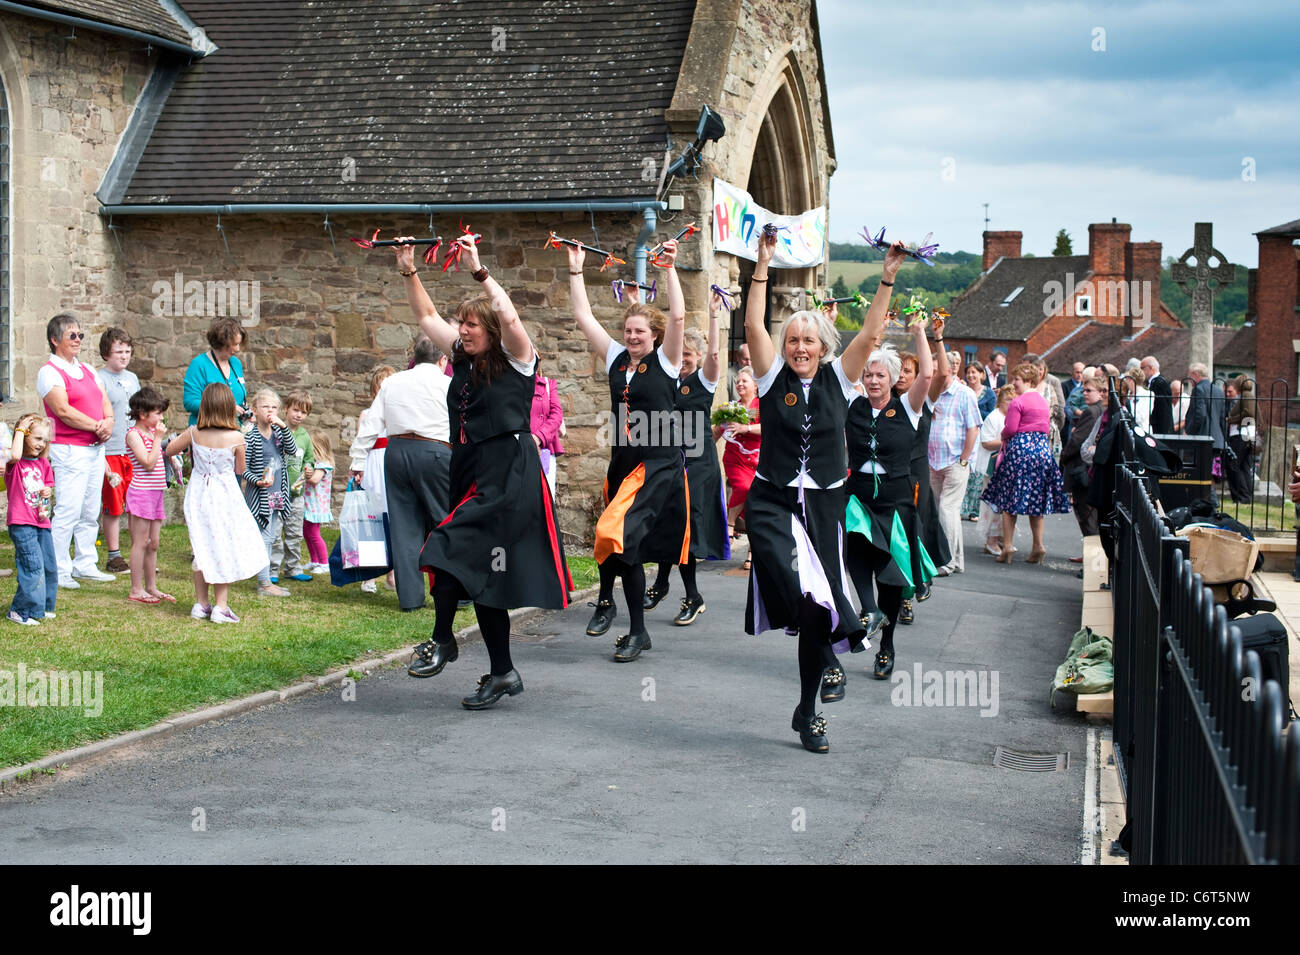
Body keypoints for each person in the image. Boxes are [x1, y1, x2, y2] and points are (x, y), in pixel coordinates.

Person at [742, 229, 901, 755]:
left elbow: (872, 333)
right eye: (793, 340)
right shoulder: (770, 380)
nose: (800, 347)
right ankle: (806, 626)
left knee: (818, 612)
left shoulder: (841, 377)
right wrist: (763, 263)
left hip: (825, 506)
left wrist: (887, 277)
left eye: (809, 340)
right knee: (797, 590)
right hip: (774, 502)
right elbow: (751, 325)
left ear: (823, 347)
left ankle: (807, 711)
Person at [397, 233, 571, 709]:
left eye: (472, 323)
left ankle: (443, 640)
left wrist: (480, 270)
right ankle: (502, 673)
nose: (464, 329)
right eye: (463, 323)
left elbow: (512, 316)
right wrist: (409, 269)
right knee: (486, 577)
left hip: (509, 476)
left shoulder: (518, 360)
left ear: (491, 329)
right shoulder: (461, 359)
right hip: (469, 469)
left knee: (444, 546)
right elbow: (426, 318)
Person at [571, 238, 688, 661]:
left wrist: (670, 269)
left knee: (612, 532)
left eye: (640, 331)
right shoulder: (617, 359)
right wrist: (575, 269)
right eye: (628, 331)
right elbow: (583, 316)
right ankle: (627, 622)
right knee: (620, 541)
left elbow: (677, 314)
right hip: (623, 460)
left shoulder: (667, 361)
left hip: (656, 464)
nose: (633, 336)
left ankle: (614, 608)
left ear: (654, 336)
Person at [843, 318, 934, 687]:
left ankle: (887, 645)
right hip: (859, 493)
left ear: (893, 378)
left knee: (892, 580)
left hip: (895, 499)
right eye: (868, 375)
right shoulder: (853, 404)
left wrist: (920, 333)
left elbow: (927, 375)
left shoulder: (908, 408)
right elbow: (844, 367)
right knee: (853, 546)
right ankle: (868, 609)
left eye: (880, 375)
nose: (873, 381)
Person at [645, 293, 729, 626]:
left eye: (688, 355)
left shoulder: (703, 382)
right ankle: (667, 585)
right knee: (669, 522)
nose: (683, 360)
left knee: (685, 527)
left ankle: (688, 593)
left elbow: (714, 354)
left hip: (698, 464)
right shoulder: (664, 381)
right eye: (680, 355)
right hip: (668, 461)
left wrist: (712, 316)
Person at [351, 336, 452, 612]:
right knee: (445, 521)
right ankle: (456, 590)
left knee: (404, 526)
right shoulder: (448, 384)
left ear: (415, 357)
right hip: (436, 451)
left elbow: (372, 423)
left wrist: (358, 460)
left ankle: (410, 598)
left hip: (397, 452)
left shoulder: (393, 383)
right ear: (442, 360)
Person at [167, 384, 269, 623]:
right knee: (222, 544)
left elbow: (170, 449)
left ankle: (201, 603)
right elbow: (240, 469)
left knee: (202, 545)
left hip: (199, 493)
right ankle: (220, 607)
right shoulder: (236, 437)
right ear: (227, 408)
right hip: (224, 494)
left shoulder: (194, 432)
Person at [38, 313, 116, 589]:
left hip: (95, 449)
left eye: (80, 335)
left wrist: (108, 422)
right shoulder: (50, 372)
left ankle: (85, 562)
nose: (78, 340)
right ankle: (58, 568)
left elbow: (104, 400)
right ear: (54, 339)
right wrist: (97, 425)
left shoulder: (87, 370)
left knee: (89, 509)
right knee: (68, 510)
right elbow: (62, 410)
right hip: (70, 449)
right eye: (72, 335)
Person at [983, 362, 1071, 563]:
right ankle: (1038, 545)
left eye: (1017, 380)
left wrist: (1004, 435)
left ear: (1029, 381)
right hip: (1041, 451)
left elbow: (1011, 428)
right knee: (1036, 502)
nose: (1013, 383)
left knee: (1008, 501)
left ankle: (1007, 548)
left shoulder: (1018, 402)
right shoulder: (1042, 401)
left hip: (1020, 451)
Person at [927, 348, 981, 575]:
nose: (931, 373)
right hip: (933, 461)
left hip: (954, 461)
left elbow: (973, 428)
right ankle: (956, 560)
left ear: (947, 369)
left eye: (935, 368)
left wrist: (963, 460)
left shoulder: (964, 393)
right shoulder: (932, 392)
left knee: (947, 511)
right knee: (945, 511)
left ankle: (946, 562)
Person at [241, 387, 297, 598]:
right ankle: (264, 583)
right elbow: (242, 468)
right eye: (265, 407)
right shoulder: (251, 436)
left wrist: (283, 426)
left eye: (274, 407)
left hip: (276, 493)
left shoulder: (278, 434)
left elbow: (291, 450)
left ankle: (263, 579)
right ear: (255, 409)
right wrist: (257, 481)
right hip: (260, 494)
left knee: (271, 536)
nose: (270, 411)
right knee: (264, 537)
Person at [123, 387, 173, 604]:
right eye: (158, 413)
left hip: (155, 493)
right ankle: (136, 588)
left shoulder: (151, 435)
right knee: (140, 542)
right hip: (141, 493)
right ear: (143, 414)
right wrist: (158, 439)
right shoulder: (134, 435)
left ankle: (151, 586)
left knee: (153, 543)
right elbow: (148, 463)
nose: (161, 417)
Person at [349, 364, 396, 594]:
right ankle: (369, 575)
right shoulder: (366, 415)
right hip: (372, 466)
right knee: (372, 519)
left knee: (393, 517)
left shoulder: (398, 416)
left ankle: (392, 572)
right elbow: (362, 443)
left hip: (390, 465)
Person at [97, 328, 140, 574]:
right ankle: (114, 555)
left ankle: (138, 553)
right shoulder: (98, 378)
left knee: (135, 503)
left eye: (127, 351)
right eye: (118, 352)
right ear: (106, 353)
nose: (124, 356)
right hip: (111, 449)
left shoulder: (133, 378)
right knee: (114, 504)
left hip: (132, 450)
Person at [7, 414, 57, 625]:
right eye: (36, 438)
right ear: (24, 436)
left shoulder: (43, 463)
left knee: (48, 565)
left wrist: (47, 492)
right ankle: (19, 610)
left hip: (41, 521)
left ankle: (41, 607)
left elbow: (48, 487)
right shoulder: (13, 464)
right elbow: (15, 455)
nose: (41, 444)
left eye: (44, 440)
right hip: (22, 523)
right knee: (32, 566)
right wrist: (20, 429)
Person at [271, 390, 315, 583]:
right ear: (286, 409)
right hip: (277, 493)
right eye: (296, 410)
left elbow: (309, 459)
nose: (299, 415)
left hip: (296, 493)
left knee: (294, 533)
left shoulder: (305, 437)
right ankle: (272, 570)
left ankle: (293, 568)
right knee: (275, 534)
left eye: (303, 412)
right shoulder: (275, 431)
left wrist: (309, 469)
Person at [721, 365, 761, 551]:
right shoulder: (732, 407)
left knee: (755, 505)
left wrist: (747, 428)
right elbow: (718, 429)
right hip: (734, 458)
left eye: (744, 381)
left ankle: (752, 554)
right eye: (737, 381)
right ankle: (729, 524)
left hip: (756, 461)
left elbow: (769, 427)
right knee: (744, 487)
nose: (739, 384)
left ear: (755, 384)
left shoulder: (762, 406)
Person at [1060, 375, 1105, 538]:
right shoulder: (1100, 410)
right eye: (1084, 390)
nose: (1085, 393)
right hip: (1092, 467)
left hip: (1082, 468)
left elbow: (1077, 440)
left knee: (1085, 513)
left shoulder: (1091, 412)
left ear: (1100, 393)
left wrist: (1063, 457)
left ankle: (1091, 552)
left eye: (1089, 390)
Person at [183, 318, 248, 426]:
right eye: (235, 344)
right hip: (208, 432)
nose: (238, 349)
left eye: (239, 344)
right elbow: (190, 403)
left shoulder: (236, 363)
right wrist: (225, 409)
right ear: (222, 343)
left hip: (235, 431)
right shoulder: (199, 364)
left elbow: (239, 399)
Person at [977, 385, 1015, 557]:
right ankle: (991, 540)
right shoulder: (994, 417)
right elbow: (985, 442)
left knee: (1004, 505)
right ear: (1000, 400)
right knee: (993, 505)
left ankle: (1000, 537)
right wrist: (1005, 441)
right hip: (993, 466)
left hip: (1007, 467)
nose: (1011, 403)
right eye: (1008, 400)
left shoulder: (1012, 418)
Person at [302, 429, 335, 573]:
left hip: (317, 505)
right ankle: (314, 560)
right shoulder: (316, 463)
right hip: (310, 503)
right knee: (307, 533)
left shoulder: (324, 464)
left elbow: (315, 480)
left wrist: (302, 475)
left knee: (314, 534)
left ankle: (324, 563)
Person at [531, 368, 565, 498]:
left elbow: (556, 415)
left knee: (545, 498)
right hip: (517, 449)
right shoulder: (507, 385)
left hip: (543, 449)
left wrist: (538, 438)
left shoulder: (548, 384)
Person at [1224, 375, 1256, 504]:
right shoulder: (1248, 396)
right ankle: (1246, 496)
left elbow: (1249, 414)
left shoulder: (1246, 396)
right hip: (1246, 435)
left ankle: (1243, 496)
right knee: (1244, 466)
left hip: (1241, 435)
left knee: (1235, 465)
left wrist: (1230, 420)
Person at [1140, 355, 1174, 434]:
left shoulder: (1160, 383)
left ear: (1150, 368)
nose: (1141, 371)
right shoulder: (1154, 382)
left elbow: (1163, 409)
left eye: (1142, 368)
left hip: (1159, 428)